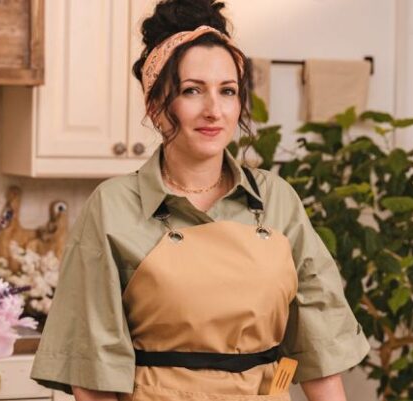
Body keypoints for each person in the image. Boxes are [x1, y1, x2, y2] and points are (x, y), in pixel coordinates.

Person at [30, 1, 369, 400]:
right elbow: (91, 370)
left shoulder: (276, 199)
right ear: (157, 106)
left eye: (227, 91)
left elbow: (319, 350)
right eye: (192, 91)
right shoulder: (113, 207)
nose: (214, 110)